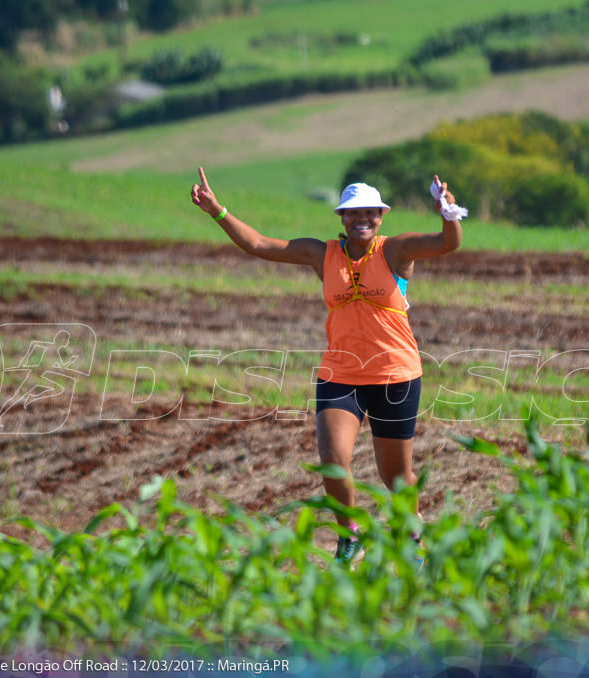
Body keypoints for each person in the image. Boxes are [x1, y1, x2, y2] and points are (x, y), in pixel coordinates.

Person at [190, 168, 463, 563]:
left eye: (370, 212)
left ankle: (410, 536)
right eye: (354, 213)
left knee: (396, 476)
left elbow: (446, 244)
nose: (362, 219)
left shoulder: (395, 251)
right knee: (334, 461)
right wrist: (218, 212)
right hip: (341, 374)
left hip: (395, 374)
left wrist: (448, 212)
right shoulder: (322, 254)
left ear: (381, 216)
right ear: (341, 217)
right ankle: (350, 535)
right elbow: (259, 244)